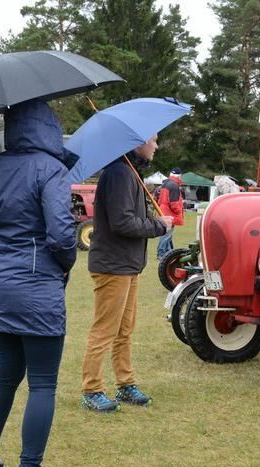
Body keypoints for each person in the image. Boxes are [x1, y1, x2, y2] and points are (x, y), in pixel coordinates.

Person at [0, 100, 77, 467]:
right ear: (48, 127)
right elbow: (63, 234)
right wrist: (64, 267)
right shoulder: (51, 169)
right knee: (43, 382)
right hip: (36, 285)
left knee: (5, 376)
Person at [81, 134, 173, 412]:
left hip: (128, 265)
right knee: (105, 330)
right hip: (113, 266)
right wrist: (158, 226)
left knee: (124, 330)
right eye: (153, 140)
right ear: (137, 142)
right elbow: (123, 222)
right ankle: (91, 389)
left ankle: (125, 384)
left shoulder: (129, 172)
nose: (156, 146)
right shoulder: (119, 173)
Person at [156, 168, 185, 258]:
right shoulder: (174, 186)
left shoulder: (165, 183)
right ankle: (161, 253)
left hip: (162, 211)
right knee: (166, 235)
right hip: (170, 213)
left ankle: (169, 252)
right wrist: (179, 211)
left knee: (167, 234)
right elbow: (174, 203)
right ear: (179, 176)